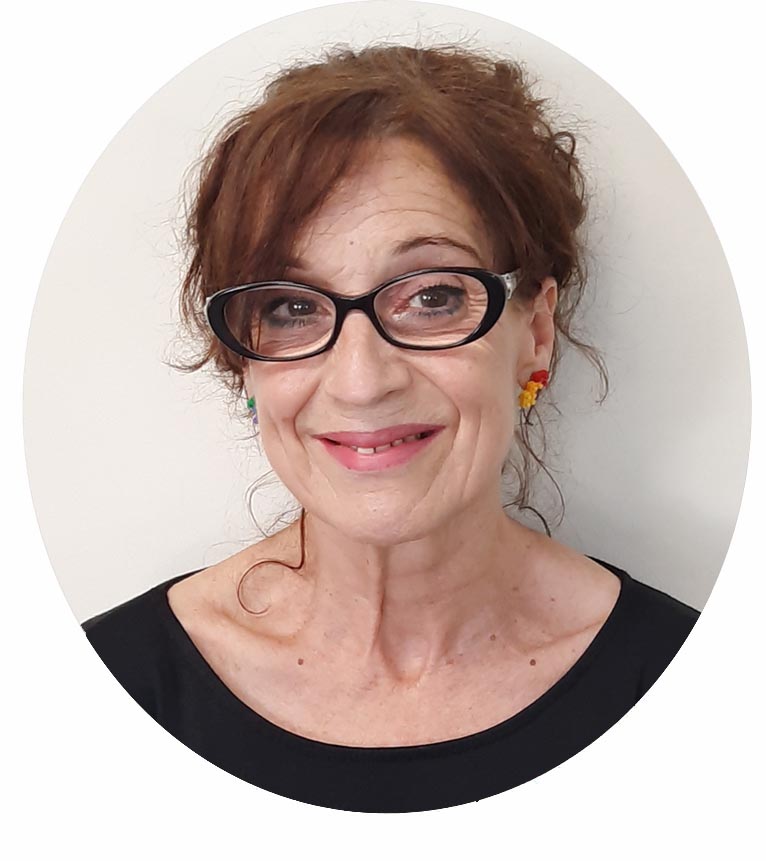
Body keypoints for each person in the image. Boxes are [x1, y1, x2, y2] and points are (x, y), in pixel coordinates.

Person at [83, 44, 699, 813]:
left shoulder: (696, 686)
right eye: (291, 307)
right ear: (245, 365)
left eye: (433, 296)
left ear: (535, 332)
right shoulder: (103, 689)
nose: (361, 380)